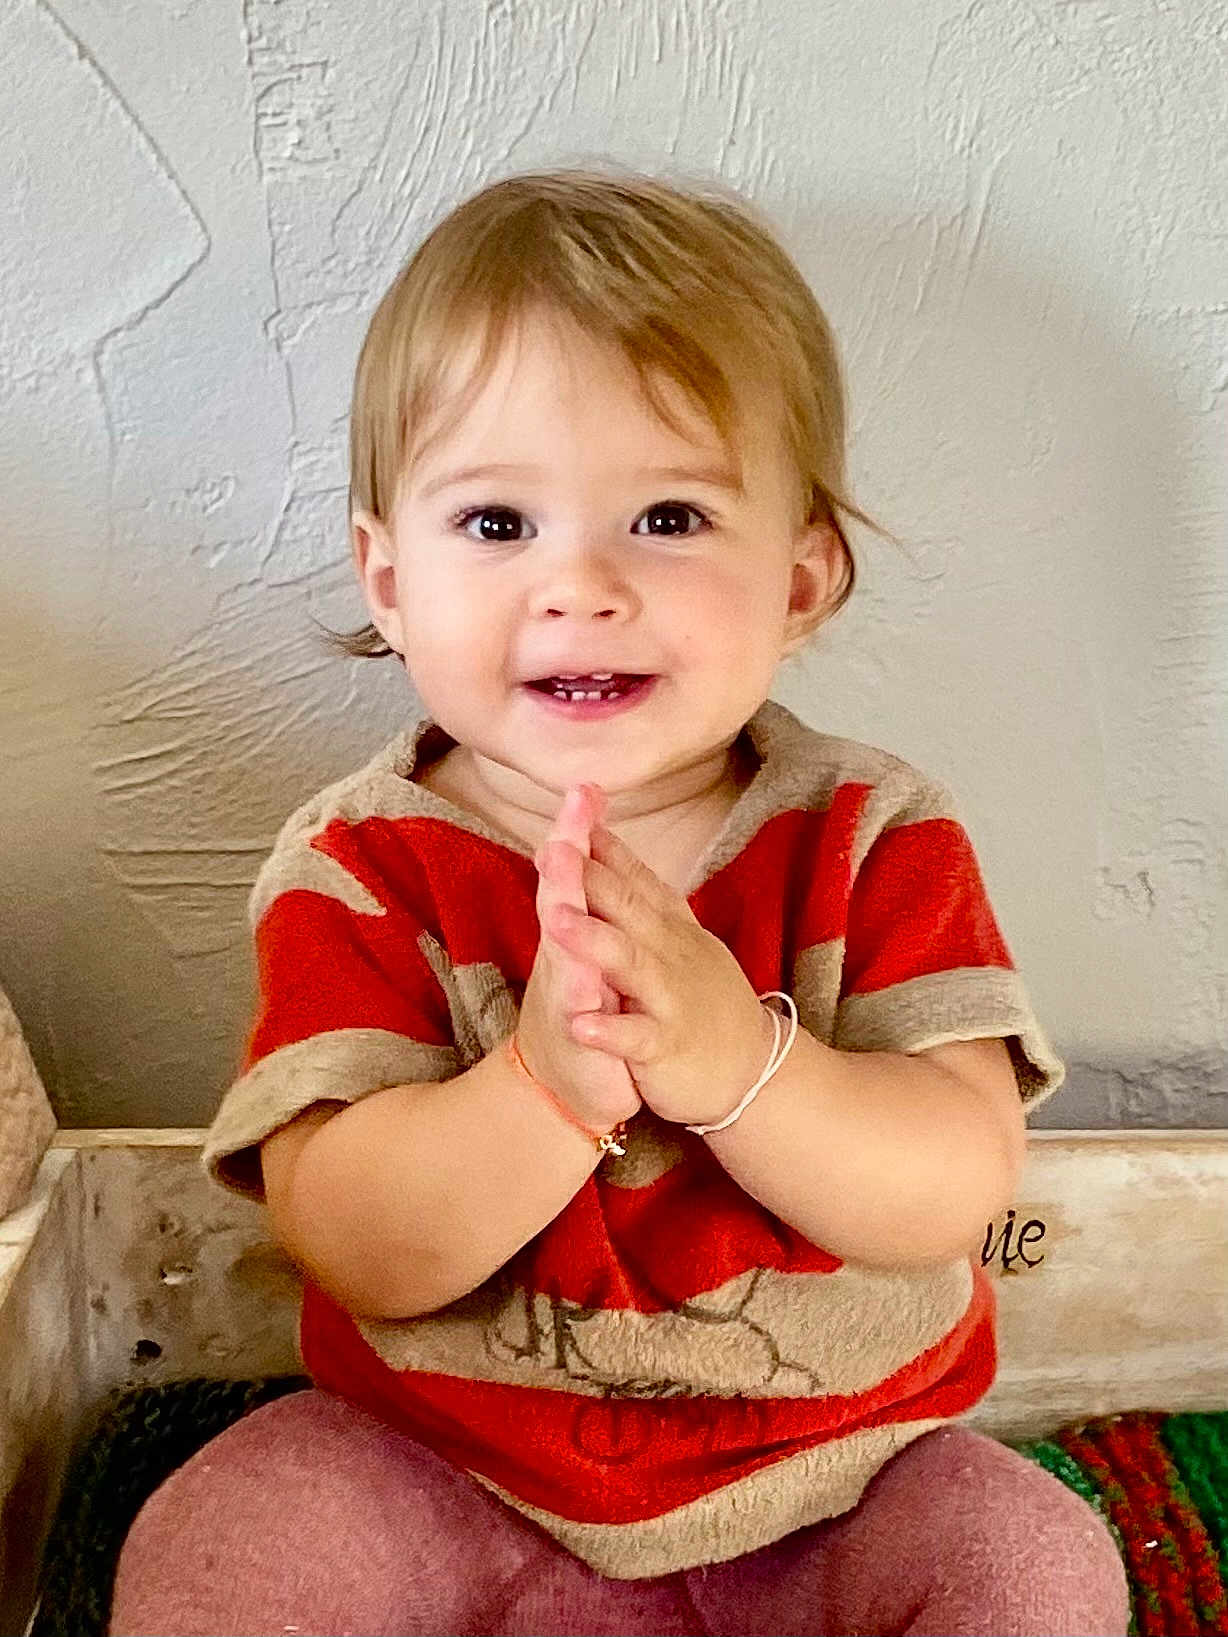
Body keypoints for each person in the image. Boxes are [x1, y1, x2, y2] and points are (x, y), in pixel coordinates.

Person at [109, 169, 1129, 1637]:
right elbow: (355, 1240)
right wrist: (541, 1082)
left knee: (1034, 1561)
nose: (579, 585)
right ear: (388, 580)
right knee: (221, 1538)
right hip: (444, 1478)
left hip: (834, 1487)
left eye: (663, 516)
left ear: (799, 578)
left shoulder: (871, 836)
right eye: (497, 524)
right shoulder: (361, 864)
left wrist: (739, 1065)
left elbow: (955, 1183)